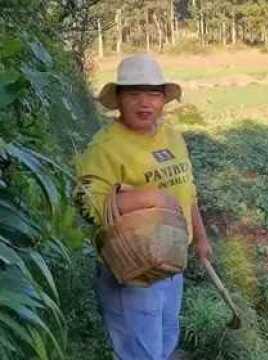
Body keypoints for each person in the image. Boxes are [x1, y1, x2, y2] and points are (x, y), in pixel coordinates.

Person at [75, 54, 212, 360]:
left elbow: (187, 191)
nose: (144, 103)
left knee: (165, 340)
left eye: (153, 94)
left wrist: (200, 239)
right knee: (141, 352)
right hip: (132, 268)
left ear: (164, 100)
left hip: (172, 262)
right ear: (119, 100)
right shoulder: (106, 146)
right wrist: (152, 198)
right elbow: (88, 204)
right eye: (134, 94)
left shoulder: (172, 136)